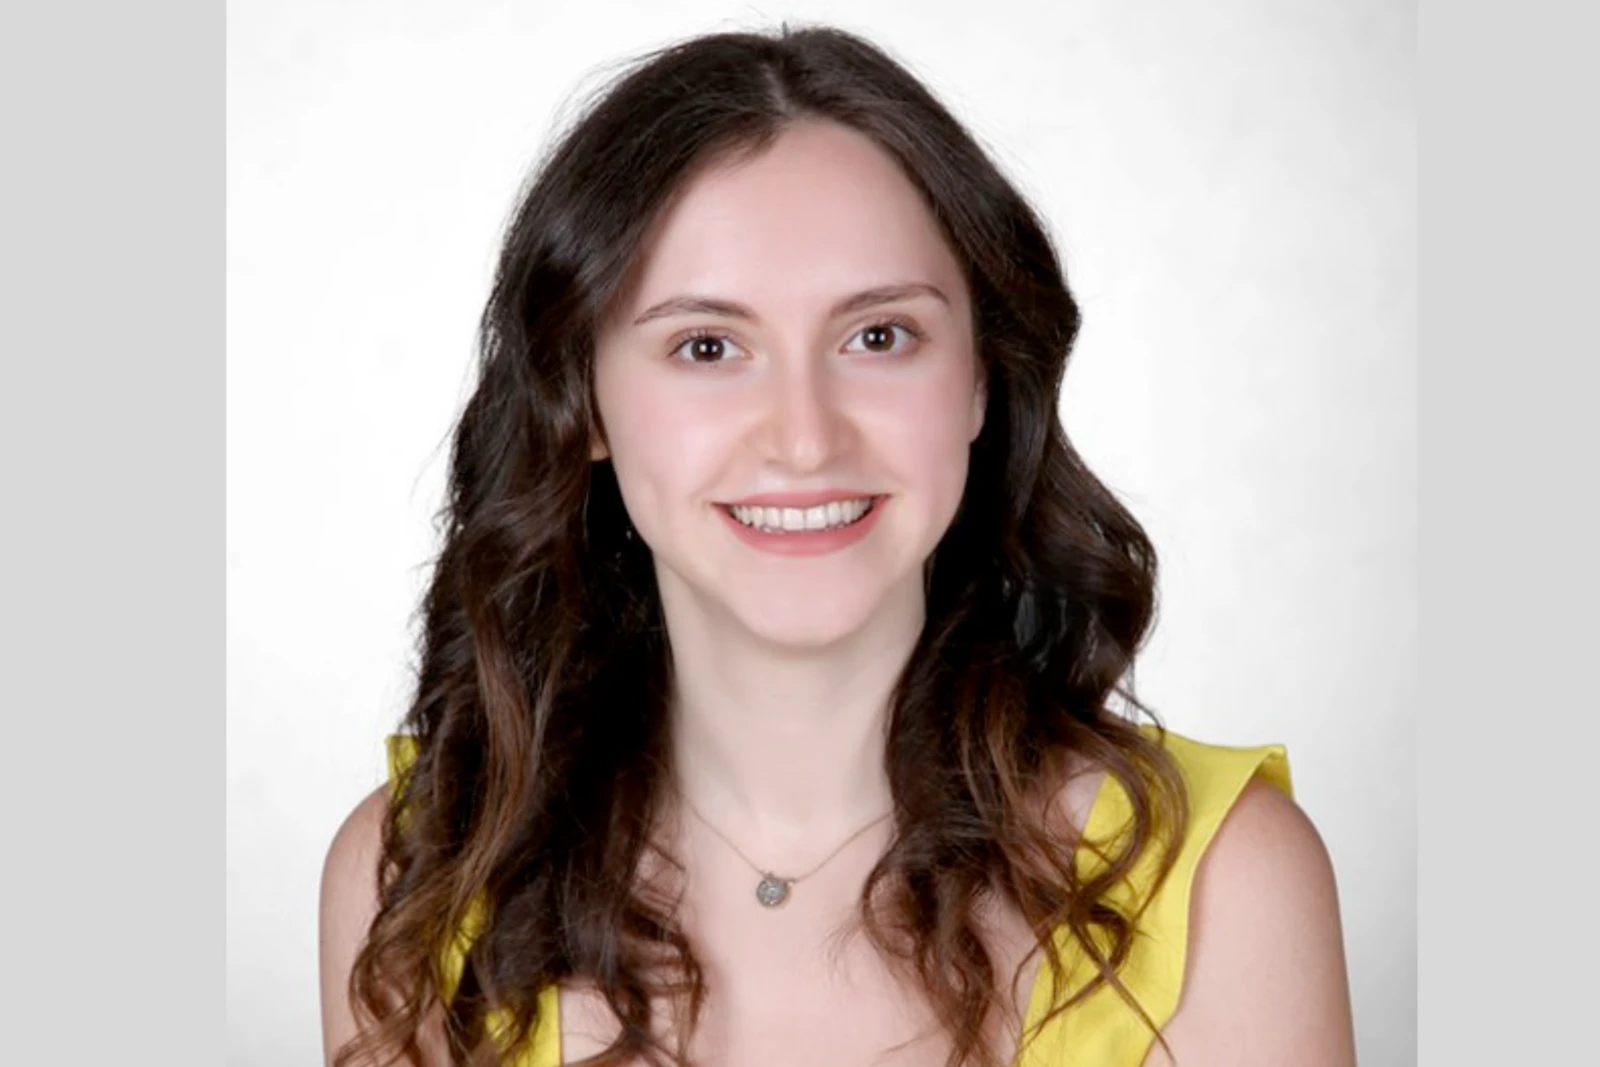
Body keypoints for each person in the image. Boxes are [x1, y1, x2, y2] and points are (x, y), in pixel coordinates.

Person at [319, 24, 1356, 1067]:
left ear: (984, 380)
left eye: (878, 336)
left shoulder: (1227, 882)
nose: (805, 437)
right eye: (707, 346)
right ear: (579, 401)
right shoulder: (415, 878)